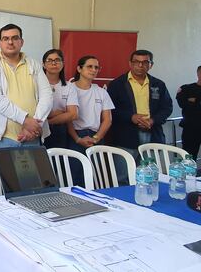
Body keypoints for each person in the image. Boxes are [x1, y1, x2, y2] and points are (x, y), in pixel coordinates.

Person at [0, 24, 53, 148]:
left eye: (15, 38)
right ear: (0, 43)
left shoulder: (33, 64)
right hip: (3, 139)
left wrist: (34, 126)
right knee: (2, 168)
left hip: (32, 136)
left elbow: (47, 95)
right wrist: (25, 120)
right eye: (5, 38)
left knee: (34, 169)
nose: (10, 42)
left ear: (21, 42)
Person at [107, 49, 173, 151]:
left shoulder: (159, 84)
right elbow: (110, 110)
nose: (140, 65)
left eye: (145, 62)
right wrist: (131, 117)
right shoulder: (117, 84)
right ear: (130, 63)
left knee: (151, 167)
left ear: (151, 65)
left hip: (153, 135)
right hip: (125, 138)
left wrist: (152, 120)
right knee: (125, 167)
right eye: (136, 62)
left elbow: (167, 108)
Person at [66, 56, 114, 186]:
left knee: (94, 177)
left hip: (95, 137)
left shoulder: (101, 92)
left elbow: (107, 119)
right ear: (79, 69)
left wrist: (96, 138)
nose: (93, 70)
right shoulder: (69, 89)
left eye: (96, 67)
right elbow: (68, 118)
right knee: (74, 177)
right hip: (74, 136)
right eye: (89, 66)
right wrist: (77, 138)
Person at [41, 49, 79, 149]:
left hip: (60, 130)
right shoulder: (36, 84)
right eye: (49, 60)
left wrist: (48, 122)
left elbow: (73, 114)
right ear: (44, 65)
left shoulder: (69, 86)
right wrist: (57, 113)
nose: (54, 63)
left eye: (57, 60)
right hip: (38, 130)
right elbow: (33, 110)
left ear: (63, 64)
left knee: (60, 162)